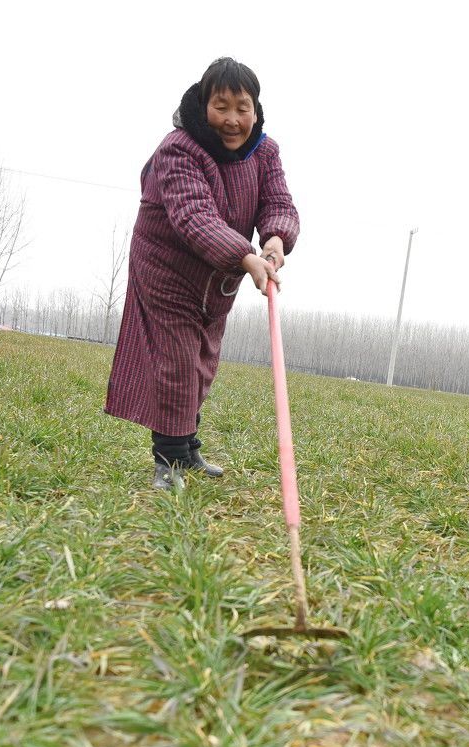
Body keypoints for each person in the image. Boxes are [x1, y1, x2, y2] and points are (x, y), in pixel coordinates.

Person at [105, 58, 300, 491]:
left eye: (242, 107)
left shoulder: (265, 152)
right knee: (175, 358)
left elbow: (279, 203)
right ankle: (169, 460)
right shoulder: (179, 149)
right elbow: (194, 216)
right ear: (203, 104)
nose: (232, 120)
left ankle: (187, 446)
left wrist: (275, 240)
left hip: (218, 277)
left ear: (256, 108)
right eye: (221, 106)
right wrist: (245, 255)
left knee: (203, 361)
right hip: (167, 266)